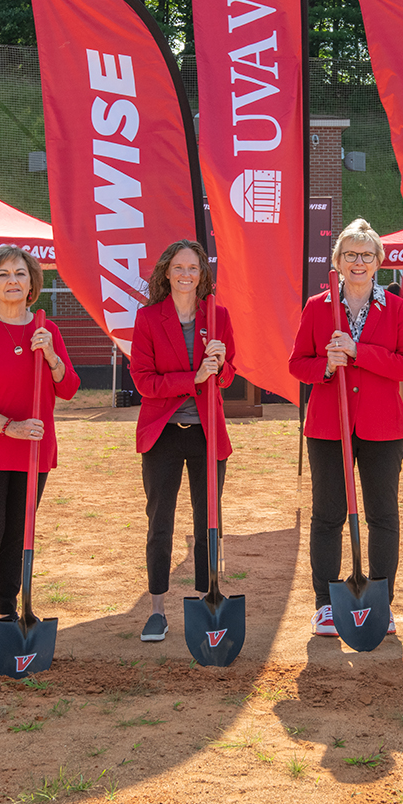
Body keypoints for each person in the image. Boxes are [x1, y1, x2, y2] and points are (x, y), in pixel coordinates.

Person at [290, 218, 403, 637]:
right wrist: (328, 364)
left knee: (383, 516)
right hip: (330, 426)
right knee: (327, 516)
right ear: (338, 262)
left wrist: (358, 352)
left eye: (366, 255)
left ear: (379, 261)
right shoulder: (317, 307)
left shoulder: (397, 308)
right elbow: (297, 364)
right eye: (350, 255)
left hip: (383, 428)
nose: (358, 262)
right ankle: (326, 605)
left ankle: (381, 602)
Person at [0, 245, 81, 655]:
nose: (13, 281)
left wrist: (52, 357)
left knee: (17, 536)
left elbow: (70, 388)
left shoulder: (47, 332)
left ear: (32, 283)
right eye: (4, 274)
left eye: (21, 274)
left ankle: (5, 613)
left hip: (33, 452)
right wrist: (10, 427)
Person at [130, 239, 236, 643]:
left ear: (202, 275)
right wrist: (190, 379)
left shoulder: (218, 316)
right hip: (163, 434)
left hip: (209, 432)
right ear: (166, 273)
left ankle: (208, 597)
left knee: (209, 518)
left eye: (193, 268)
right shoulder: (148, 318)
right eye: (178, 267)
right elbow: (143, 380)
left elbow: (228, 377)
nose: (186, 275)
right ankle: (157, 609)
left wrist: (221, 365)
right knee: (160, 522)